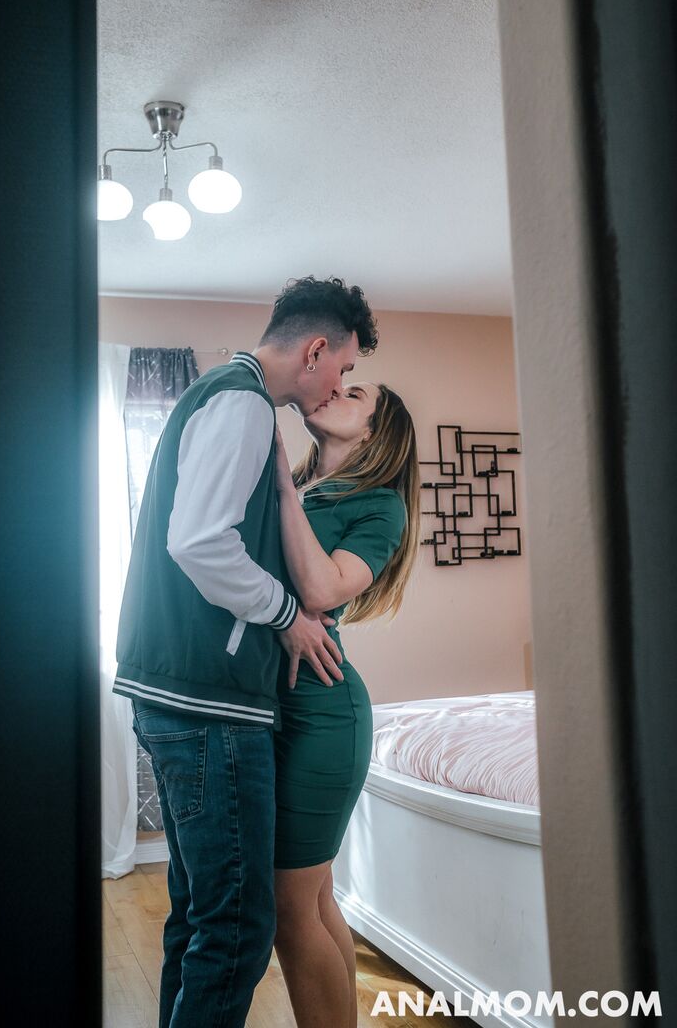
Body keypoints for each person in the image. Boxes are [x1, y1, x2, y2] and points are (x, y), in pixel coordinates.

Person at [112, 275, 379, 1028]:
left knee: (201, 917)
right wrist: (287, 615)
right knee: (234, 932)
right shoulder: (243, 403)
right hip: (210, 702)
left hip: (183, 693)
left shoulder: (226, 398)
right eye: (343, 368)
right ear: (316, 350)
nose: (338, 385)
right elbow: (199, 542)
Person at [270, 380, 421, 1028]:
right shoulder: (305, 487)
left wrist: (281, 488)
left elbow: (322, 588)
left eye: (354, 392)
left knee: (288, 907)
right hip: (272, 708)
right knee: (313, 896)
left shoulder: (381, 505)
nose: (335, 390)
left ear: (376, 430)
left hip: (323, 715)